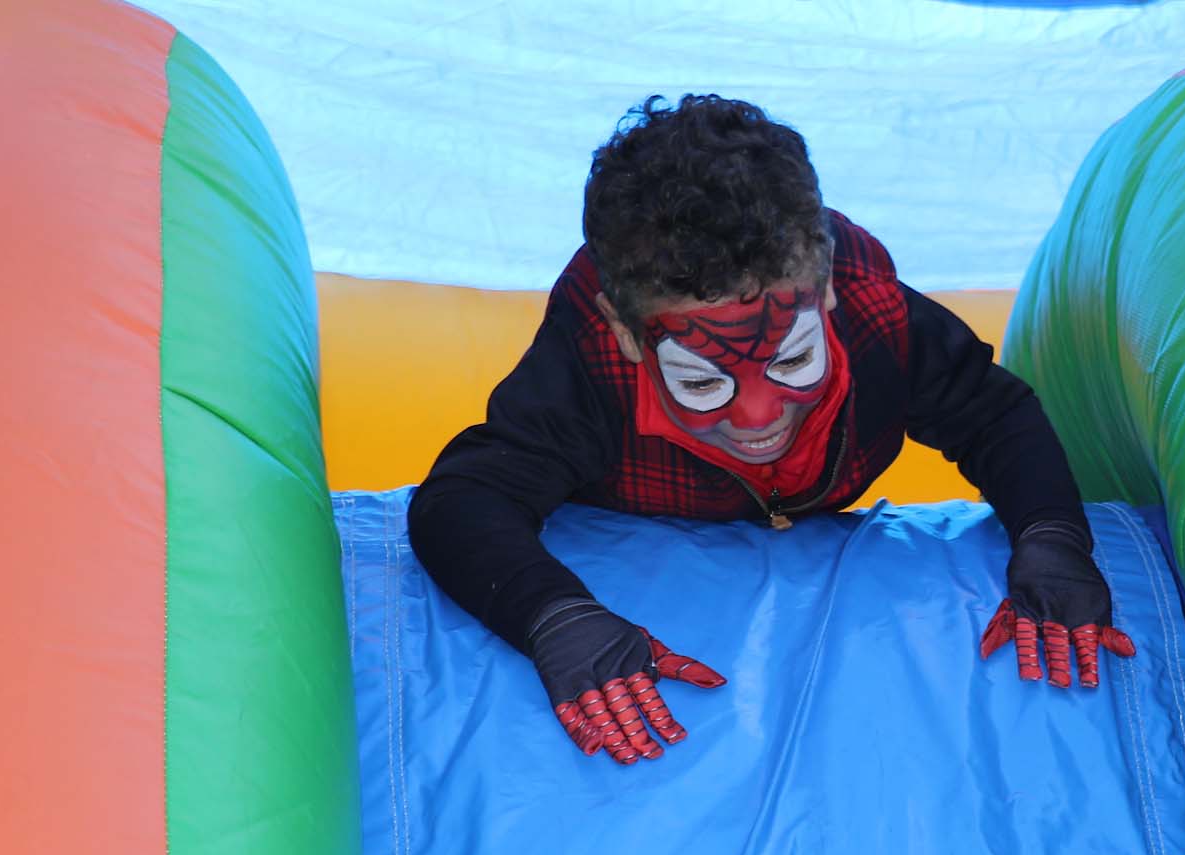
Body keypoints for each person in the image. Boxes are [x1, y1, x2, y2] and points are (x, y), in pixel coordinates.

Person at [409, 94, 1134, 766]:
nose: (758, 417)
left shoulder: (877, 321)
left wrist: (1052, 537)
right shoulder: (590, 372)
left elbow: (996, 414)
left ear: (824, 295)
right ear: (628, 338)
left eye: (792, 359)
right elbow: (462, 499)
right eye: (701, 380)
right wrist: (554, 615)